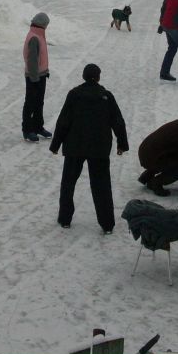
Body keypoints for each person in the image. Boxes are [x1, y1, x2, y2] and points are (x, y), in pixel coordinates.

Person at [50, 64, 129, 233]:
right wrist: (122, 144)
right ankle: (107, 224)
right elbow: (118, 121)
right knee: (102, 186)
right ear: (98, 77)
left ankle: (65, 219)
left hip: (74, 146)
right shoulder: (106, 96)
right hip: (99, 148)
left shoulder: (74, 95)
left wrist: (55, 144)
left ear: (83, 76)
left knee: (68, 184)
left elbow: (63, 121)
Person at [136, 117, 178, 197]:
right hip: (153, 158)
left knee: (170, 154)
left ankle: (147, 175)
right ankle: (156, 182)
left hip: (145, 153)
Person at [22, 12, 52, 142]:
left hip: (41, 74)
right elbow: (32, 60)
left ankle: (38, 127)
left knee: (39, 103)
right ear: (42, 25)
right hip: (34, 77)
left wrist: (45, 71)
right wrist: (35, 78)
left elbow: (41, 56)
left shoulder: (38, 35)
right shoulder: (34, 37)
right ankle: (28, 130)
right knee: (30, 103)